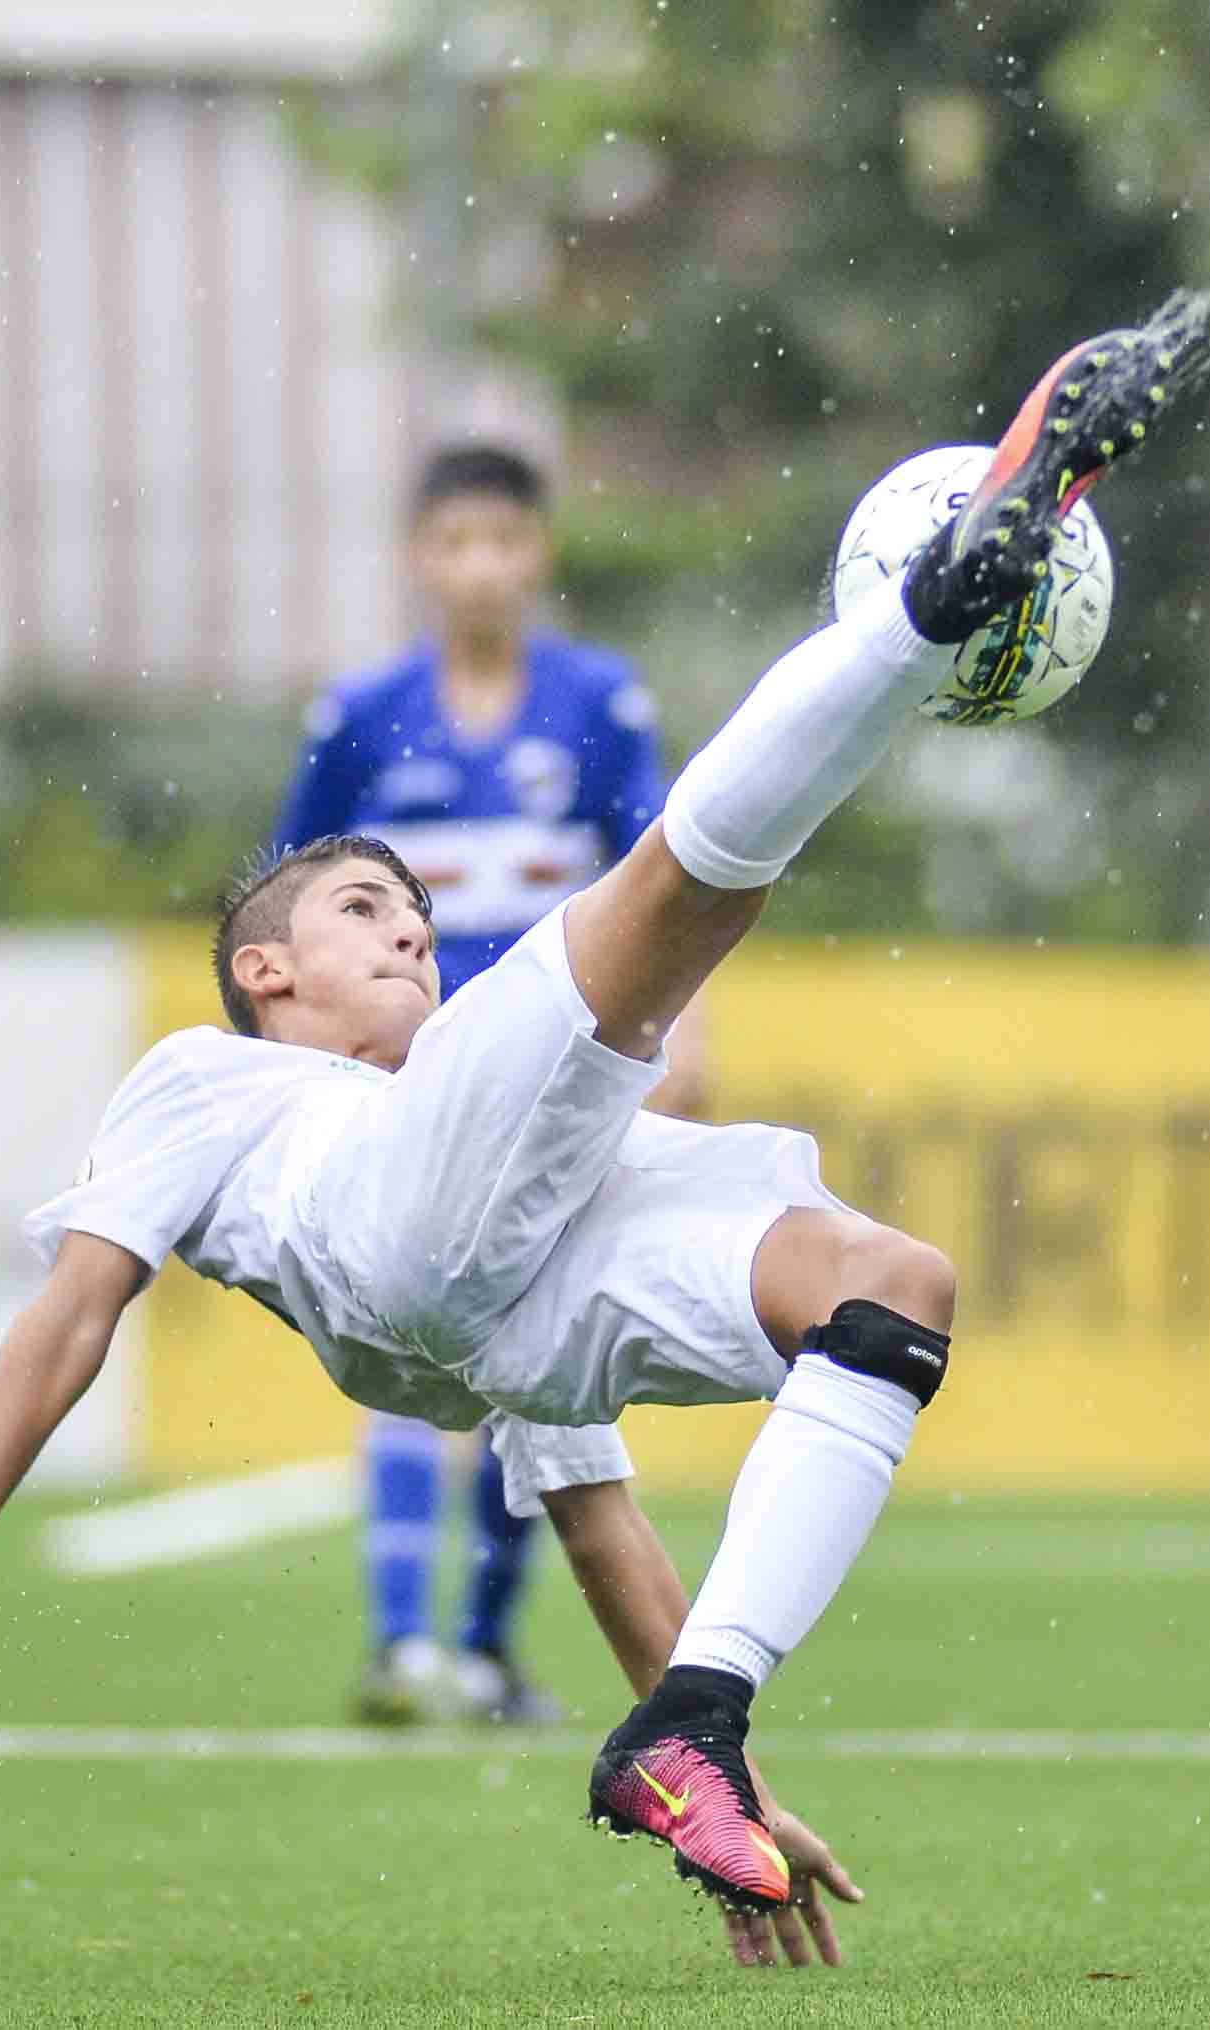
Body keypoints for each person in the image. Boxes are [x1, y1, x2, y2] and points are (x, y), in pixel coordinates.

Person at [0, 292, 1210, 1960]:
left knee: (892, 1287)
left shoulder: (473, 1123)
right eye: (359, 902)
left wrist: (716, 1768)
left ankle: (701, 1724)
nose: (406, 920)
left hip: (490, 1309)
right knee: (672, 899)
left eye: (409, 903)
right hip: (388, 1225)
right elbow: (78, 1304)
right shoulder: (210, 1076)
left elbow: (600, 1523)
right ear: (265, 970)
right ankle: (920, 617)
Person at [272, 442, 707, 1729]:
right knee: (409, 1343)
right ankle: (405, 1645)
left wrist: (688, 1030)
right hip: (407, 1079)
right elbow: (291, 906)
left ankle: (483, 1648)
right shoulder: (356, 717)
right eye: (455, 542)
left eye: (504, 542)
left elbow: (673, 879)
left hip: (556, 1082)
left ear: (540, 555)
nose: (480, 567)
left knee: (538, 1359)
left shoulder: (598, 704)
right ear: (420, 558)